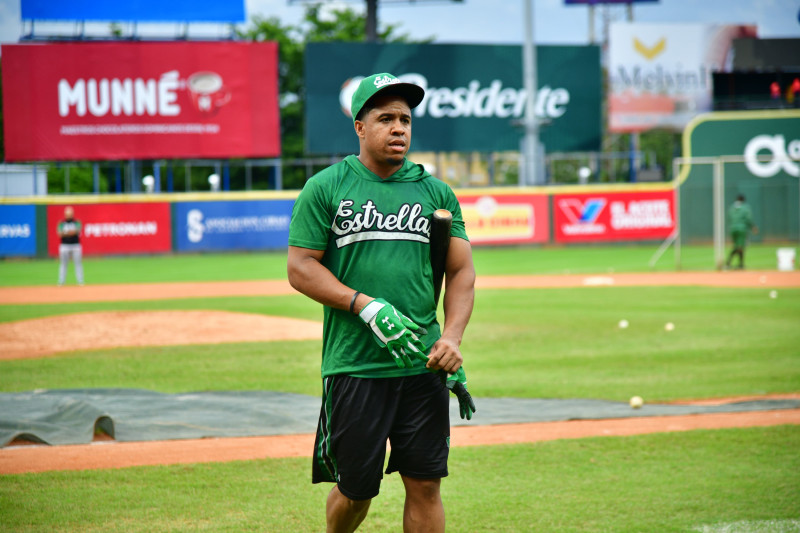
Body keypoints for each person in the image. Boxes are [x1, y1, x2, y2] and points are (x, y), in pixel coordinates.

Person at [287, 72, 476, 533]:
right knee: (356, 490)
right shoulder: (327, 188)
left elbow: (462, 271)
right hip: (356, 366)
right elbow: (301, 267)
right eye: (386, 118)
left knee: (426, 484)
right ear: (360, 126)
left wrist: (450, 337)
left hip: (422, 366)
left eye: (405, 120)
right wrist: (365, 305)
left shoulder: (435, 193)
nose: (399, 128)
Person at [725, 194, 757, 270]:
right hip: (742, 229)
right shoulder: (745, 208)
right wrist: (753, 227)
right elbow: (748, 219)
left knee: (737, 246)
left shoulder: (731, 208)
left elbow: (729, 217)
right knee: (740, 247)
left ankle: (739, 264)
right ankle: (730, 263)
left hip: (733, 229)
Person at [57, 206, 84, 286]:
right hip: (64, 246)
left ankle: (80, 281)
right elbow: (60, 234)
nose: (69, 215)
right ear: (65, 214)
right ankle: (61, 281)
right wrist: (70, 232)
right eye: (67, 214)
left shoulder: (77, 222)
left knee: (78, 264)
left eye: (70, 214)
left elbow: (77, 231)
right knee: (63, 264)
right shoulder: (61, 223)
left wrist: (66, 233)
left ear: (73, 214)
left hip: (75, 245)